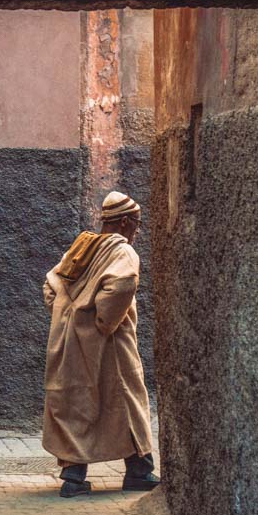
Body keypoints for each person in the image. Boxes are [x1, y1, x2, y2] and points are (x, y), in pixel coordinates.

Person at [41, 191, 158, 497]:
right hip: (110, 344)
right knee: (126, 397)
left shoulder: (83, 246)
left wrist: (66, 314)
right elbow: (121, 286)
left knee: (76, 401)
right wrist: (102, 323)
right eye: (136, 223)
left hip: (67, 339)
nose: (137, 230)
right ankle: (139, 470)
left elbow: (51, 283)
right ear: (124, 222)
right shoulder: (123, 252)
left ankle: (74, 476)